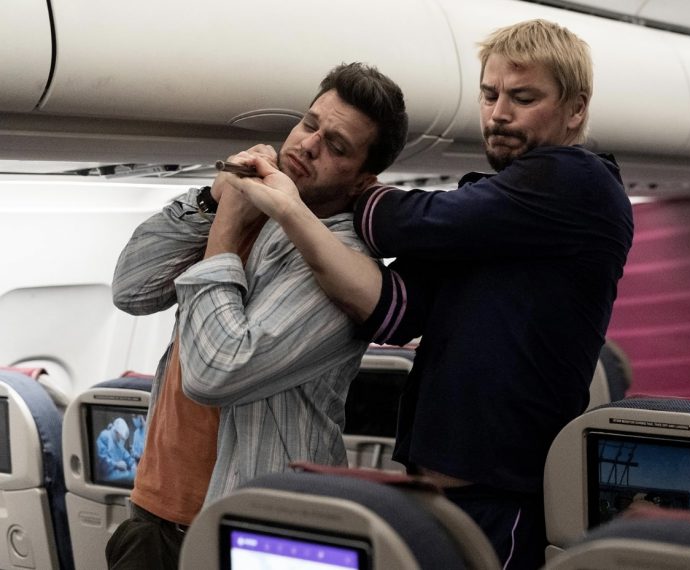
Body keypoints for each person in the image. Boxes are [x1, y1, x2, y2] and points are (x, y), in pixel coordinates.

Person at [228, 19, 633, 569]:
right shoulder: (496, 210)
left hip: (502, 500)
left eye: (523, 98)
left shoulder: (579, 183)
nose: (499, 113)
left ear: (576, 109)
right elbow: (392, 311)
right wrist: (295, 211)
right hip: (432, 495)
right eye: (489, 95)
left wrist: (332, 193)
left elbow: (406, 222)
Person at [105, 62, 408, 569]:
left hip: (258, 533)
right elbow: (131, 290)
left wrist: (225, 227)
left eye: (337, 146)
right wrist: (211, 199)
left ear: (362, 181)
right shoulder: (249, 208)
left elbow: (216, 371)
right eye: (310, 124)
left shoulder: (341, 263)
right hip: (153, 514)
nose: (309, 145)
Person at [96, 417, 135, 482]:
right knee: (132, 476)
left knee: (135, 474)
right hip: (107, 475)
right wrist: (116, 464)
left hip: (118, 473)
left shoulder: (119, 443)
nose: (121, 440)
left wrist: (133, 464)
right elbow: (102, 460)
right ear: (116, 432)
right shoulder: (105, 436)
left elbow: (127, 456)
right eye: (120, 437)